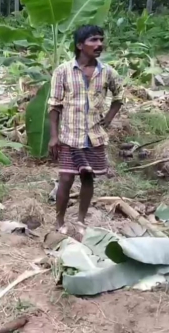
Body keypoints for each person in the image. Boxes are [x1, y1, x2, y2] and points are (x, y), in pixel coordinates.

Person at [47, 24, 124, 232]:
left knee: (88, 178)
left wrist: (108, 118)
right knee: (65, 178)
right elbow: (54, 105)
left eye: (101, 39)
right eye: (93, 40)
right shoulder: (63, 71)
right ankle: (60, 221)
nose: (99, 44)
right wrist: (53, 136)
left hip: (94, 136)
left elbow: (119, 97)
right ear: (80, 45)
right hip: (69, 136)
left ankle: (81, 221)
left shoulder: (108, 72)